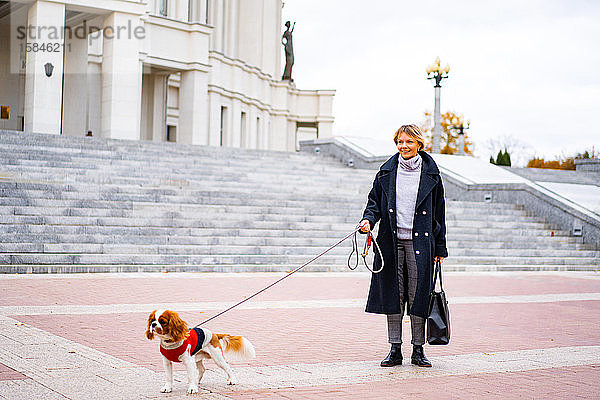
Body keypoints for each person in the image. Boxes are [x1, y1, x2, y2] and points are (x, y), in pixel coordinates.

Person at [359, 124, 448, 368]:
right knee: (393, 296)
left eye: (409, 142)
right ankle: (395, 349)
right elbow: (374, 202)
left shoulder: (432, 174)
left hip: (422, 243)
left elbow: (439, 214)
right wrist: (368, 219)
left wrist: (440, 248)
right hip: (391, 242)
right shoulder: (386, 172)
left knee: (418, 296)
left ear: (419, 143)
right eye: (400, 142)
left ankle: (418, 350)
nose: (403, 146)